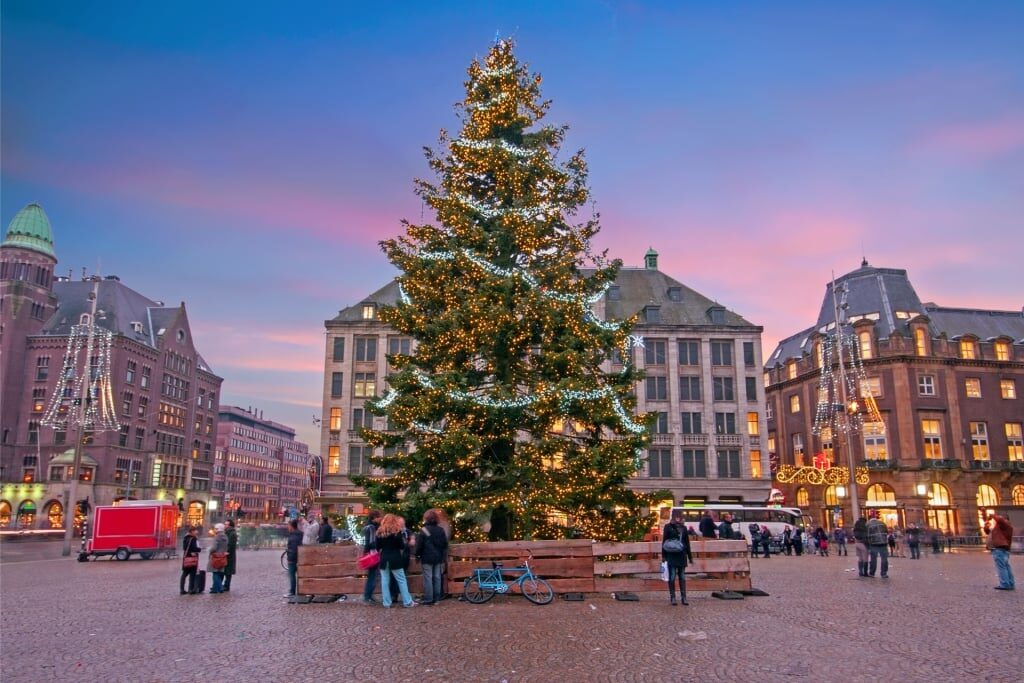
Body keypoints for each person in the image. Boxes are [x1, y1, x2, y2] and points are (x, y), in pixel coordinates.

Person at [375, 513, 416, 608]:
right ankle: (407, 601)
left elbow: (377, 547)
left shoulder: (379, 532)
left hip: (384, 558)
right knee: (401, 580)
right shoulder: (397, 533)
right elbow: (402, 546)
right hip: (396, 558)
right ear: (394, 521)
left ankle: (386, 603)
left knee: (385, 581)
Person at [416, 510, 449, 605]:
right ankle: (437, 598)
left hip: (426, 557)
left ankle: (428, 599)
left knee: (428, 578)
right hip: (438, 557)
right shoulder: (440, 530)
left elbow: (419, 545)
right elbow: (444, 544)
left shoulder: (424, 530)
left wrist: (418, 555)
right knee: (437, 577)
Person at [661, 509, 694, 605]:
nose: (678, 517)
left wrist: (690, 557)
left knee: (682, 576)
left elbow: (687, 543)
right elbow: (664, 542)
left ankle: (684, 597)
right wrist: (663, 556)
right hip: (671, 555)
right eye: (676, 516)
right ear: (673, 516)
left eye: (679, 515)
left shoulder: (683, 528)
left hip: (682, 555)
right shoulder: (668, 527)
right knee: (672, 576)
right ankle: (673, 597)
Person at [984, 513, 1015, 591]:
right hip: (1001, 548)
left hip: (999, 548)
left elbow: (1000, 520)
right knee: (1006, 566)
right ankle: (1010, 583)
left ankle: (1004, 584)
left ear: (1004, 518)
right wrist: (987, 525)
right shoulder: (1000, 527)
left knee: (1001, 567)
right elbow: (987, 531)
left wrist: (992, 515)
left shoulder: (1005, 524)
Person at [361, 510, 382, 604]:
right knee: (372, 576)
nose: (380, 519)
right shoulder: (372, 527)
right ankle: (367, 596)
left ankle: (368, 595)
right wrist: (376, 550)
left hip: (368, 553)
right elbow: (372, 542)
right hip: (372, 554)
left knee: (372, 575)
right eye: (379, 517)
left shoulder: (367, 526)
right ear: (374, 517)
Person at [865, 511, 889, 578]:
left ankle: (872, 573)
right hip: (883, 543)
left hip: (873, 543)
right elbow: (886, 532)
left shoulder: (868, 524)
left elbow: (866, 535)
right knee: (884, 559)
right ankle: (884, 573)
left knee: (873, 559)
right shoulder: (882, 523)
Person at [207, 523, 229, 594]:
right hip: (222, 557)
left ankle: (218, 588)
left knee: (215, 572)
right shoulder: (225, 537)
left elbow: (214, 548)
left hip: (216, 557)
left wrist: (209, 550)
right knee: (219, 572)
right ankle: (217, 588)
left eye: (215, 529)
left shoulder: (217, 537)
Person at [180, 526, 201, 595]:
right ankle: (191, 589)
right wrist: (199, 549)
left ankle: (182, 589)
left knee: (184, 574)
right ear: (192, 531)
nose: (197, 532)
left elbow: (184, 548)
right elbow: (194, 548)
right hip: (192, 558)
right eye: (195, 530)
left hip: (186, 558)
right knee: (192, 574)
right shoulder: (193, 538)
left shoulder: (186, 538)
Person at [284, 518, 302, 597]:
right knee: (300, 575)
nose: (288, 527)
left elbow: (293, 549)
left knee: (292, 575)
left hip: (293, 559)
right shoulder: (300, 534)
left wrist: (290, 559)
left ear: (292, 527)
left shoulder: (293, 536)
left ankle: (292, 591)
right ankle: (300, 591)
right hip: (300, 558)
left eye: (288, 526)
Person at [222, 519, 238, 592]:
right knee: (224, 570)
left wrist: (227, 551)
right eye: (224, 524)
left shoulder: (232, 533)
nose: (225, 525)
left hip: (229, 555)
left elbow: (231, 544)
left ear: (230, 526)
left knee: (228, 571)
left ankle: (226, 585)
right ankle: (223, 585)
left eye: (226, 524)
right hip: (225, 553)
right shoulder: (226, 532)